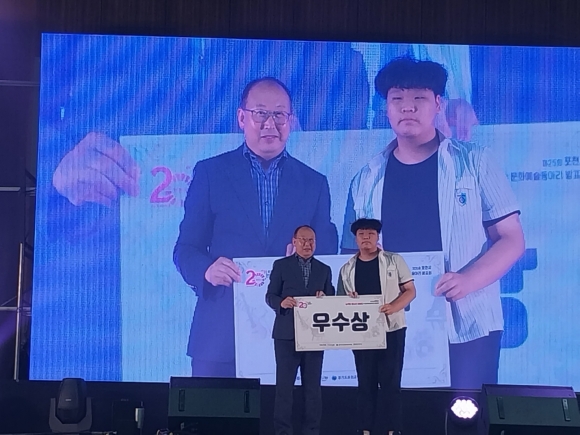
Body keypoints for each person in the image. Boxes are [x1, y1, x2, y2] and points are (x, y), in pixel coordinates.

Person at [341, 57, 525, 390]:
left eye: (419, 98)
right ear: (386, 108)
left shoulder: (474, 161)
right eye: (397, 99)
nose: (407, 107)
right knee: (397, 412)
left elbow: (511, 239)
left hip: (468, 321)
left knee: (466, 413)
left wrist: (468, 280)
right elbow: (349, 256)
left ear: (438, 104)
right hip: (391, 321)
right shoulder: (366, 179)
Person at [173, 77, 338, 377]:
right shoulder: (211, 173)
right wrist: (206, 270)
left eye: (279, 115)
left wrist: (308, 260)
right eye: (260, 113)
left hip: (293, 332)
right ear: (242, 118)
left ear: (291, 121)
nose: (270, 124)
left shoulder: (314, 183)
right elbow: (186, 249)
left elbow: (327, 250)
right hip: (220, 337)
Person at [337, 218, 416, 435]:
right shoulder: (347, 268)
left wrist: (394, 306)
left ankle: (393, 430)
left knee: (391, 383)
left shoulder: (394, 260)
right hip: (362, 332)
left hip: (392, 329)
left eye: (371, 234)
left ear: (377, 237)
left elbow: (410, 290)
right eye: (361, 234)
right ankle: (365, 430)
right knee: (365, 383)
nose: (366, 238)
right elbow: (339, 302)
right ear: (355, 238)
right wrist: (349, 299)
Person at [266, 225, 335, 435]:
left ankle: (311, 431)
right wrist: (281, 302)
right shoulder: (281, 265)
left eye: (311, 240)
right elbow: (270, 296)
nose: (307, 244)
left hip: (314, 336)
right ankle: (283, 431)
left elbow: (331, 298)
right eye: (303, 240)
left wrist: (325, 298)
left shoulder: (324, 269)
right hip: (286, 335)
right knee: (284, 389)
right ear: (294, 242)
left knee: (312, 389)